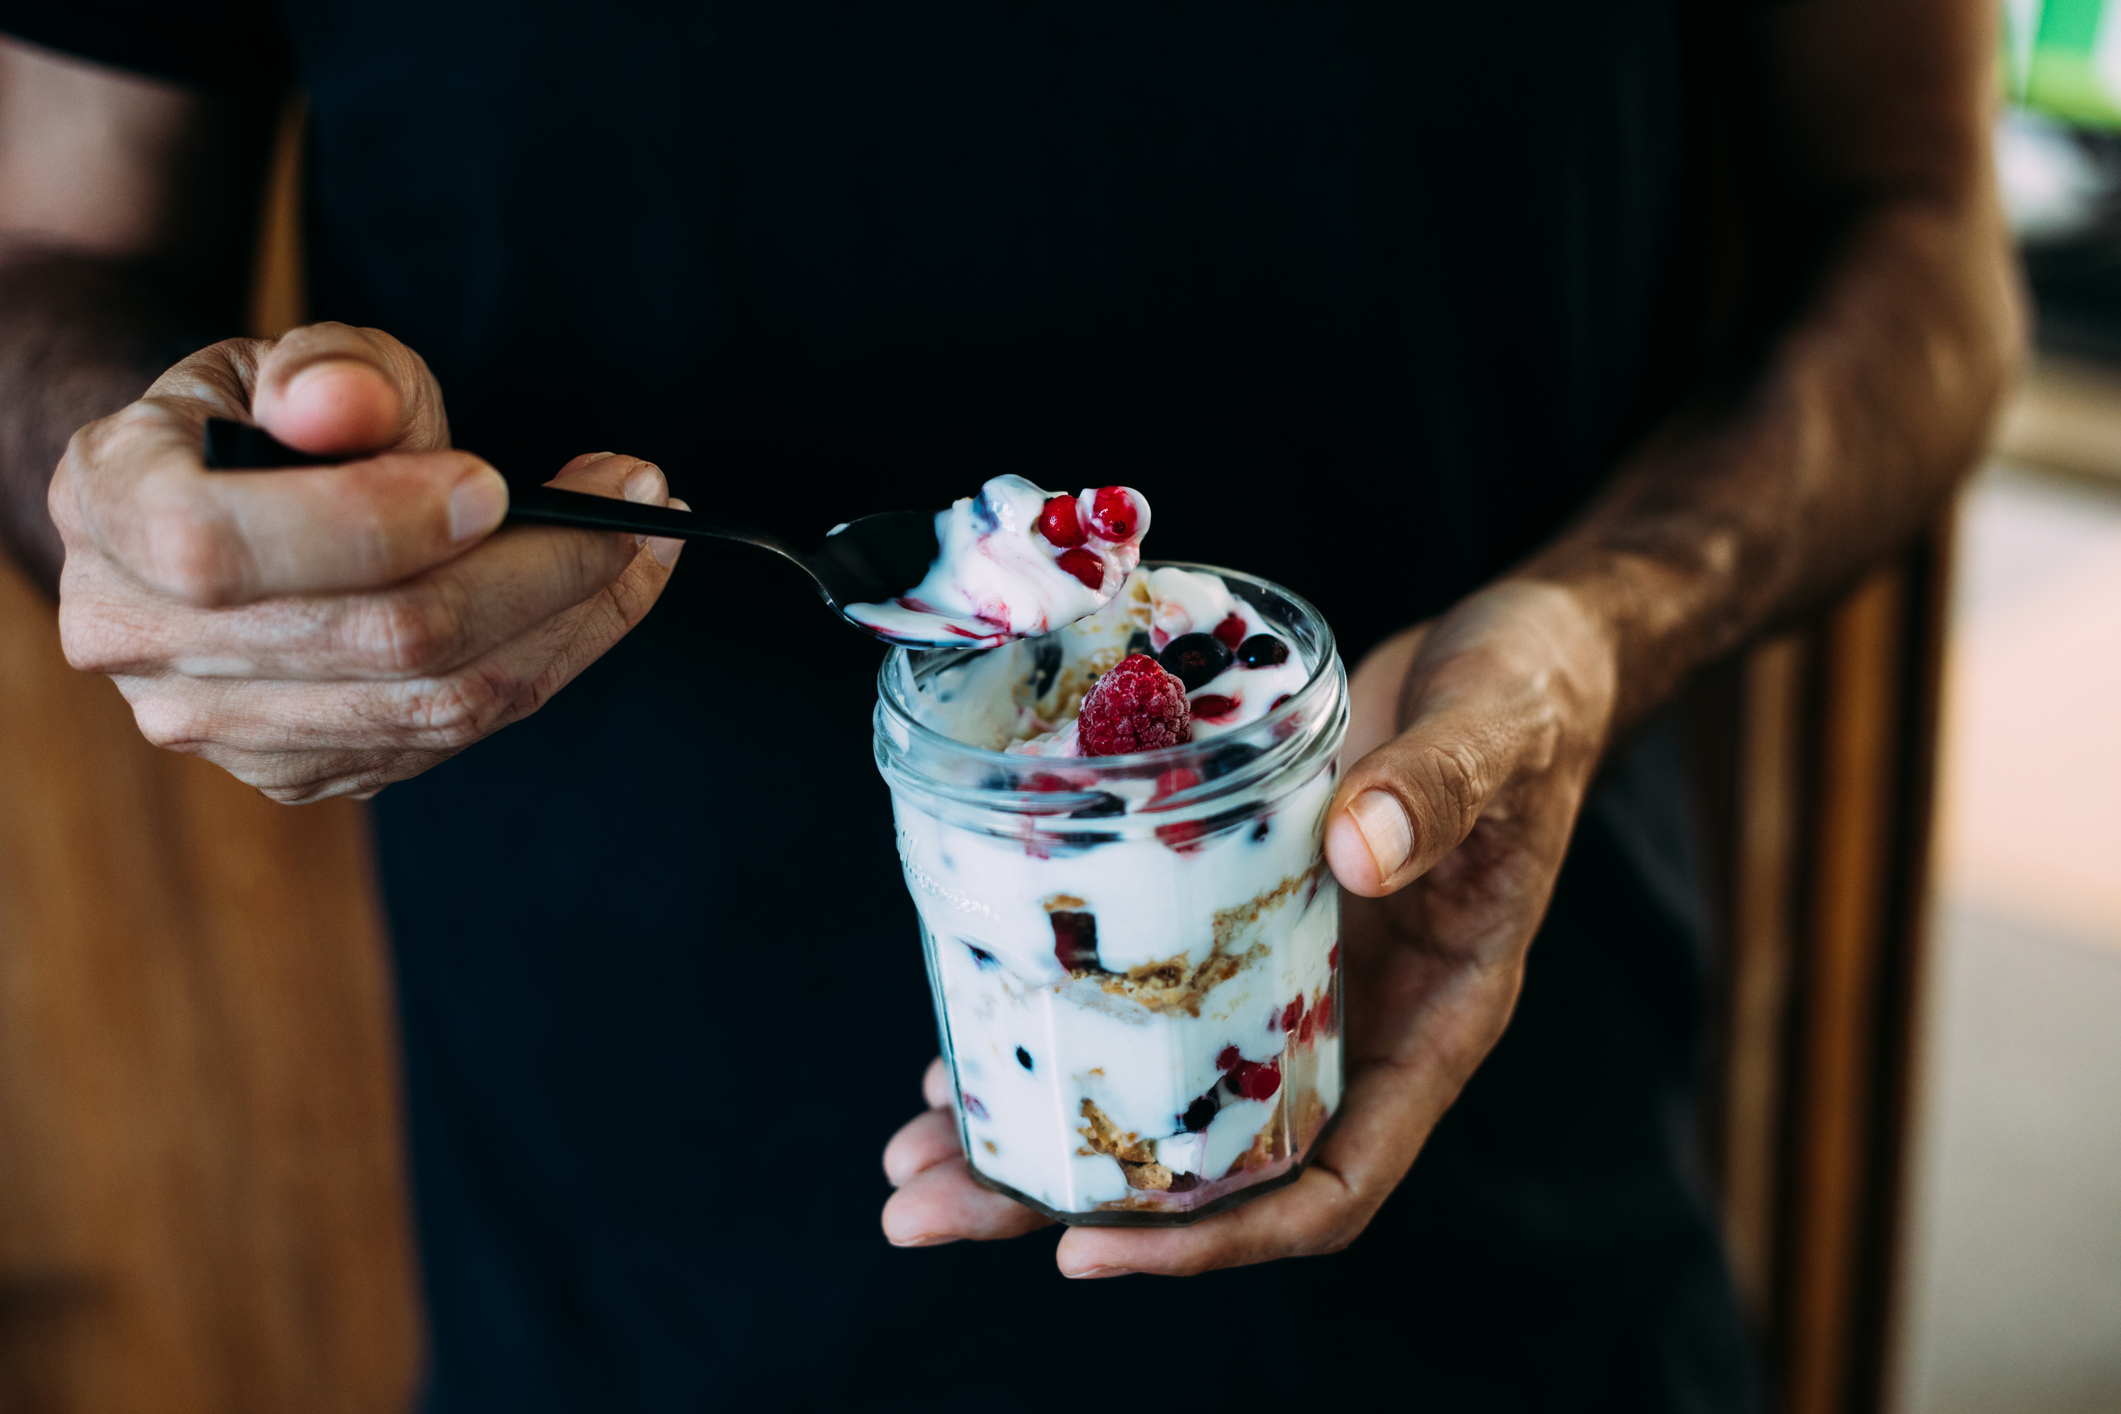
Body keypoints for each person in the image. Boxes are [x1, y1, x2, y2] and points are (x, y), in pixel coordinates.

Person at [0, 1, 2015, 1409]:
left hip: (1475, 1153)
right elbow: (53, 247)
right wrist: (152, 515)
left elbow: (1919, 238)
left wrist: (1602, 624)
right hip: (632, 1267)